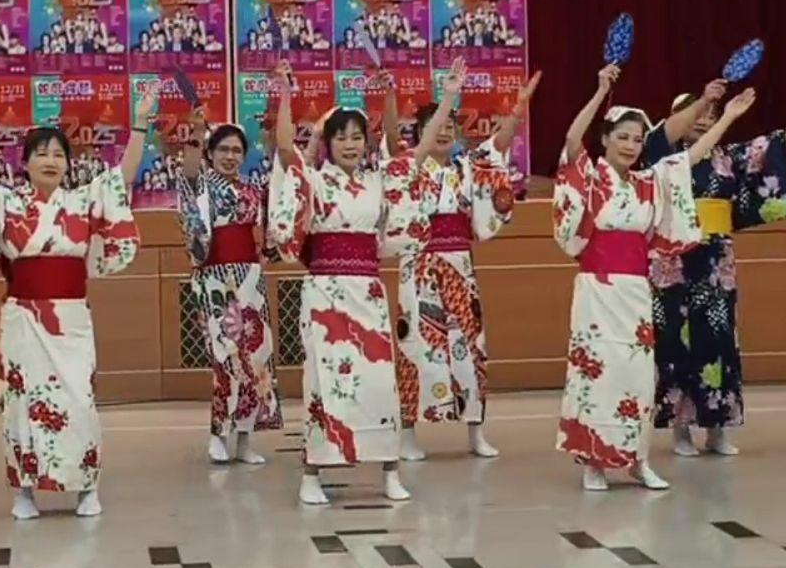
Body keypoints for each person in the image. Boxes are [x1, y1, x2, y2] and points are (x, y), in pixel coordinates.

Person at [0, 82, 155, 519]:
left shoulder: (83, 201)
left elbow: (123, 176)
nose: (50, 160)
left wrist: (140, 123)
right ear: (24, 163)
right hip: (22, 320)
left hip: (71, 320)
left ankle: (86, 487)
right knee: (21, 401)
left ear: (68, 164)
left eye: (58, 154)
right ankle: (24, 491)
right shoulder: (7, 202)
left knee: (79, 400)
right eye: (41, 153)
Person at [266, 60, 463, 506]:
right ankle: (312, 473)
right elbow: (285, 149)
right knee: (324, 382)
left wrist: (449, 95)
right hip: (325, 293)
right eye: (342, 137)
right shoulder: (314, 181)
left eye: (357, 137)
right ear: (329, 144)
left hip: (369, 293)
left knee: (378, 383)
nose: (351, 144)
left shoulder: (380, 181)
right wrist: (285, 93)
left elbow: (421, 149)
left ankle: (389, 469)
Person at [553, 64, 754, 491]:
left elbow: (689, 158)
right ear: (605, 139)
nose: (630, 145)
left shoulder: (648, 183)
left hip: (636, 289)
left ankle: (637, 459)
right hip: (597, 289)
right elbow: (572, 140)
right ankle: (594, 462)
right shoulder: (590, 178)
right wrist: (600, 91)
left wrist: (728, 117)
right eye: (622, 137)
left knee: (639, 374)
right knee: (599, 371)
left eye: (637, 139)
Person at [642, 81, 786, 456]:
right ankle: (680, 427)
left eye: (709, 114)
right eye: (694, 113)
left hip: (715, 260)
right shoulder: (661, 157)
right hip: (672, 261)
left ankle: (718, 426)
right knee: (675, 340)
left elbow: (776, 145)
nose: (703, 119)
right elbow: (663, 136)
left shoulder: (727, 158)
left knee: (719, 339)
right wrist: (705, 99)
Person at [389, 70, 542, 461]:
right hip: (419, 264)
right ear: (421, 133)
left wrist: (519, 109)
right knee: (416, 347)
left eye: (449, 127)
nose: (443, 133)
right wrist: (394, 96)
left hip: (460, 264)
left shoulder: (467, 168)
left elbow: (497, 146)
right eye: (435, 126)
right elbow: (390, 140)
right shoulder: (410, 164)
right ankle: (408, 432)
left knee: (470, 347)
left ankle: (476, 431)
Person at [177, 110, 282, 465]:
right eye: (222, 149)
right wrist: (196, 129)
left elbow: (266, 233)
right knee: (224, 358)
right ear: (210, 152)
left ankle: (245, 440)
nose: (230, 156)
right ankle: (218, 434)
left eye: (237, 150)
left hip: (250, 278)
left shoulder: (252, 190)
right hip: (215, 278)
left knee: (256, 358)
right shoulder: (201, 185)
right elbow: (189, 169)